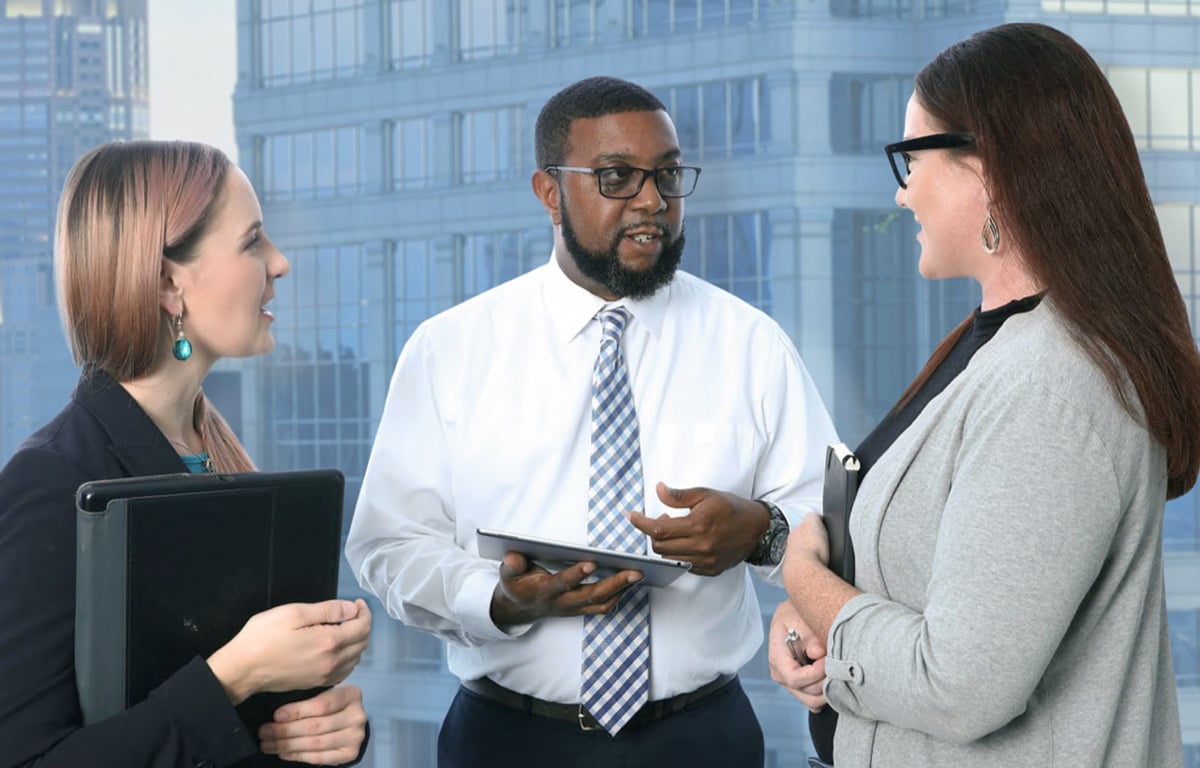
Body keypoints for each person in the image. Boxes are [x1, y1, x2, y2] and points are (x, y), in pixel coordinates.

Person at [345, 75, 838, 768]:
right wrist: (496, 600)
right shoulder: (450, 350)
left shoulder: (751, 344)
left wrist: (761, 530)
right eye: (616, 177)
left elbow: (832, 516)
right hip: (506, 741)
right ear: (550, 192)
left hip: (701, 739)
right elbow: (387, 545)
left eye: (667, 176)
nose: (651, 202)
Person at [769, 22, 1200, 767]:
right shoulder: (993, 344)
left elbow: (960, 686)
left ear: (988, 171)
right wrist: (813, 629)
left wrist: (800, 575)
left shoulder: (1053, 387)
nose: (903, 195)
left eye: (912, 158)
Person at [0, 140, 373, 768]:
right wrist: (232, 676)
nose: (278, 263)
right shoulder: (50, 482)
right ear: (170, 282)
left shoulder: (217, 457)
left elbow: (255, 730)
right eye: (252, 241)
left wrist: (328, 730)